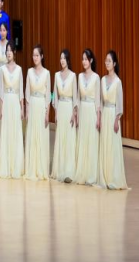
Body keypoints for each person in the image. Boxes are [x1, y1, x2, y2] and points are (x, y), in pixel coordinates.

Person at [98, 50, 128, 190]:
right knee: (104, 145)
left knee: (112, 146)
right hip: (105, 113)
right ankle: (104, 176)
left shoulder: (118, 81)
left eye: (109, 61)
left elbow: (119, 103)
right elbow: (100, 101)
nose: (107, 63)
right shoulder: (103, 80)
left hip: (113, 115)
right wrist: (99, 117)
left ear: (114, 63)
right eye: (106, 61)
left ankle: (113, 178)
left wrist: (117, 119)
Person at [0, 42, 24, 179]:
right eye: (7, 50)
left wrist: (22, 108)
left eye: (11, 50)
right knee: (6, 132)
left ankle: (16, 166)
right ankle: (6, 165)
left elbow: (21, 92)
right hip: (6, 102)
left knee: (16, 131)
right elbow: (0, 91)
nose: (8, 53)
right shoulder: (2, 69)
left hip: (15, 103)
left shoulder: (19, 69)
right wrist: (0, 108)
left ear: (14, 52)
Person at [74, 49, 102, 186]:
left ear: (91, 60)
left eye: (86, 59)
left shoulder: (96, 77)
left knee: (91, 142)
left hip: (91, 111)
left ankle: (91, 174)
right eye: (83, 59)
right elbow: (78, 98)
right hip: (82, 111)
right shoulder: (79, 76)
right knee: (82, 141)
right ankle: (82, 173)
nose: (84, 61)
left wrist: (98, 118)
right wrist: (76, 114)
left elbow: (98, 100)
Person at [24, 45, 51, 181]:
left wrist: (47, 113)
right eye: (33, 55)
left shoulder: (47, 73)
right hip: (33, 105)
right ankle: (31, 168)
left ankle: (41, 168)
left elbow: (48, 95)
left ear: (42, 57)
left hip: (41, 106)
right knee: (32, 135)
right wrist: (27, 110)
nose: (35, 58)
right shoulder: (29, 72)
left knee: (41, 135)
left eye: (37, 55)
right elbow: (27, 92)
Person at [51, 49, 78, 183]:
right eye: (60, 58)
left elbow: (75, 97)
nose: (62, 60)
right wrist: (56, 113)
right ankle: (60, 170)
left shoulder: (73, 76)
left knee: (69, 139)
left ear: (68, 60)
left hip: (69, 109)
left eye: (64, 58)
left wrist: (74, 113)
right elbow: (54, 96)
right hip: (60, 108)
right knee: (61, 138)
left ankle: (69, 171)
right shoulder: (56, 75)